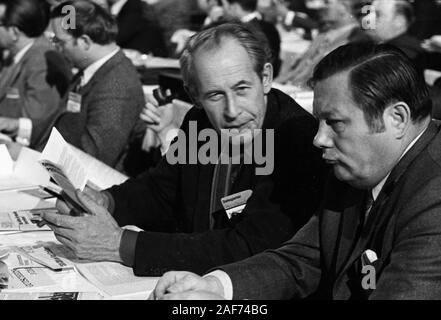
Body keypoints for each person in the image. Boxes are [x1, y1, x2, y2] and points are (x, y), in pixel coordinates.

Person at [151, 42, 441, 300]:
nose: (319, 139)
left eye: (335, 123)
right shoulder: (360, 166)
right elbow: (304, 258)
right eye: (319, 122)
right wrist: (216, 287)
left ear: (398, 118)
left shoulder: (434, 197)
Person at [41, 23, 327, 277]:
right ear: (195, 96)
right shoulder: (200, 122)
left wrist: (120, 245)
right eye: (215, 95)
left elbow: (252, 247)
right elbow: (161, 189)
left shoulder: (297, 139)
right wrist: (105, 202)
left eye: (241, 89)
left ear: (265, 77)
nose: (232, 111)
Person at [50, 0, 144, 168]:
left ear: (84, 42)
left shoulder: (117, 85)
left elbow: (94, 158)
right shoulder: (90, 70)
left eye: (60, 42)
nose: (56, 47)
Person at [0, 0, 70, 151]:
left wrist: (7, 124)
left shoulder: (42, 62)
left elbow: (36, 124)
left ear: (14, 32)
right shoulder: (15, 53)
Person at [275, 0, 371, 87]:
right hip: (290, 86)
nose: (321, 7)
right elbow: (296, 70)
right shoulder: (323, 35)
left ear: (343, 8)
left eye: (327, 2)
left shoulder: (356, 39)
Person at [367, 0, 424, 71]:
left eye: (378, 14)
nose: (368, 19)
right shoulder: (390, 50)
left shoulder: (399, 56)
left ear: (399, 21)